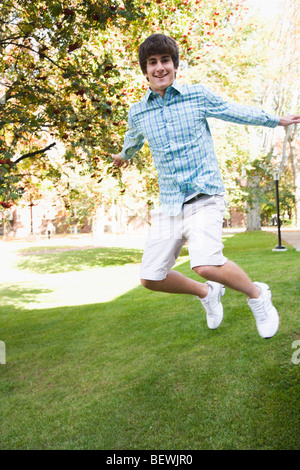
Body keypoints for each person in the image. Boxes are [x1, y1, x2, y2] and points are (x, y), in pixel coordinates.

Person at [112, 34, 300, 338]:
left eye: (165, 61)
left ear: (174, 65)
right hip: (171, 204)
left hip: (205, 196)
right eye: (152, 62)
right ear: (145, 70)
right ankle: (206, 294)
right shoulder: (138, 111)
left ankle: (258, 295)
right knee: (150, 277)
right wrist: (122, 157)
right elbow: (132, 140)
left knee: (206, 263)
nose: (160, 67)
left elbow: (233, 110)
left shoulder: (196, 95)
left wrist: (276, 120)